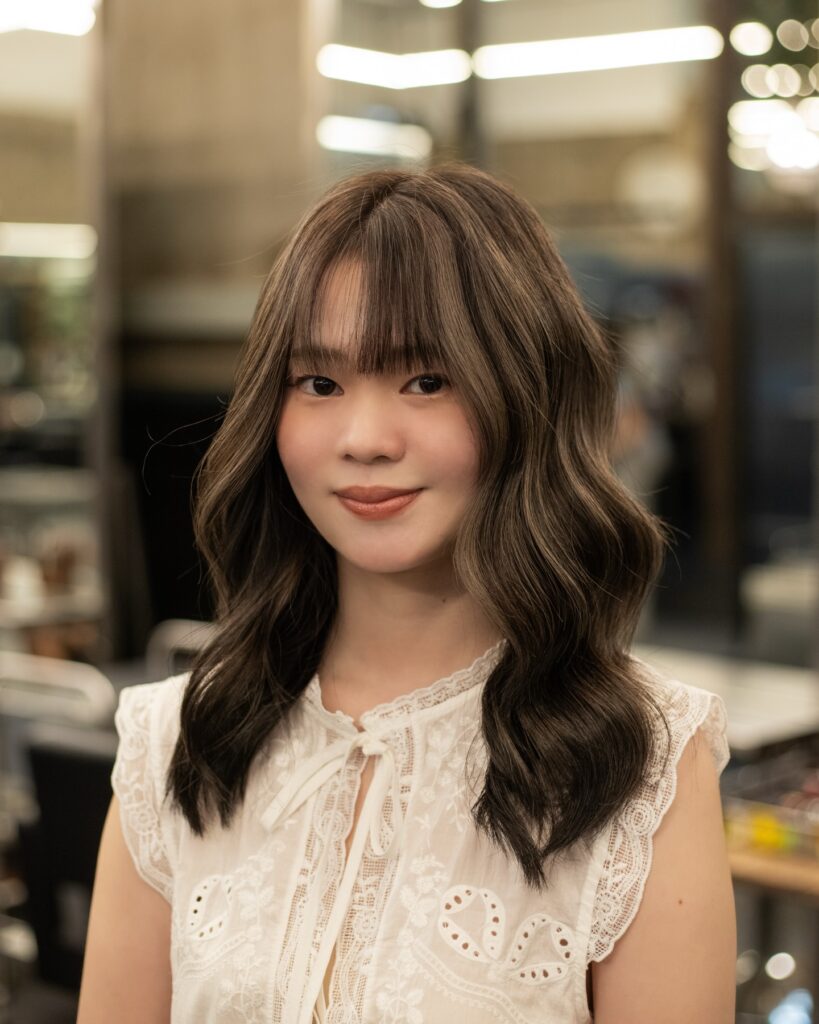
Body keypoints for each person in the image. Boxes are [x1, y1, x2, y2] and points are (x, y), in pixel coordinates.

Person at [77, 163, 736, 1024]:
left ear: (524, 395)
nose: (364, 438)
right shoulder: (177, 744)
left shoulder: (640, 762)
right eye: (318, 383)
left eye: (427, 381)